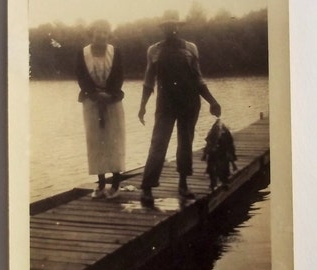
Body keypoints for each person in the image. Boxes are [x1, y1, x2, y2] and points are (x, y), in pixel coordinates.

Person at [138, 10, 221, 205]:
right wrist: (142, 105)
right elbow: (148, 81)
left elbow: (198, 78)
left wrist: (212, 101)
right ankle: (147, 188)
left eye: (174, 25)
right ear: (162, 28)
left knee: (185, 143)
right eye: (167, 25)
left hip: (189, 103)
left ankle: (183, 185)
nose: (171, 29)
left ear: (179, 26)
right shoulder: (153, 50)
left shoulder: (191, 48)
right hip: (165, 103)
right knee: (158, 143)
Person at [76, 20, 125, 199]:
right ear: (92, 33)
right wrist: (95, 95)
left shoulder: (115, 52)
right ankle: (101, 184)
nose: (102, 35)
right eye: (98, 31)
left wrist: (108, 95)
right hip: (91, 101)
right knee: (96, 142)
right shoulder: (83, 53)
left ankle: (116, 184)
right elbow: (81, 77)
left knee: (114, 140)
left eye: (105, 32)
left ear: (108, 34)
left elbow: (119, 76)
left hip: (112, 101)